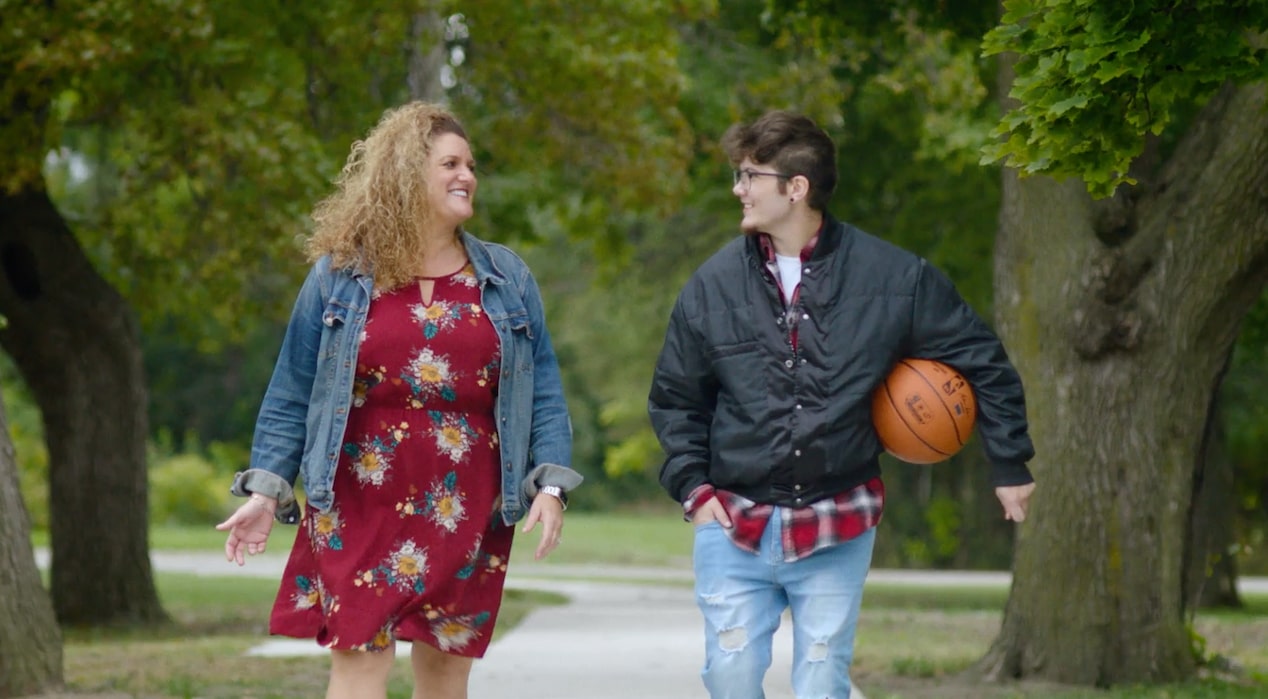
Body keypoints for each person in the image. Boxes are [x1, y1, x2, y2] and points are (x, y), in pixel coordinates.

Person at [647, 110, 1036, 699]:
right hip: (732, 520)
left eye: (749, 175)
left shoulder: (895, 278)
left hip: (839, 517)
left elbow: (983, 361)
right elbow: (676, 399)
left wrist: (1009, 464)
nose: (738, 188)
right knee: (729, 676)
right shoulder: (710, 286)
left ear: (795, 187)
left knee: (823, 677)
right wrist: (694, 491)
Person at [215, 101, 580, 699]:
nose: (468, 175)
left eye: (471, 164)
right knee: (358, 661)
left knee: (444, 671)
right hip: (357, 493)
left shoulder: (507, 278)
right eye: (451, 164)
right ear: (408, 174)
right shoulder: (340, 274)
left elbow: (541, 389)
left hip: (466, 499)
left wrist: (551, 485)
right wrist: (265, 488)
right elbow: (292, 388)